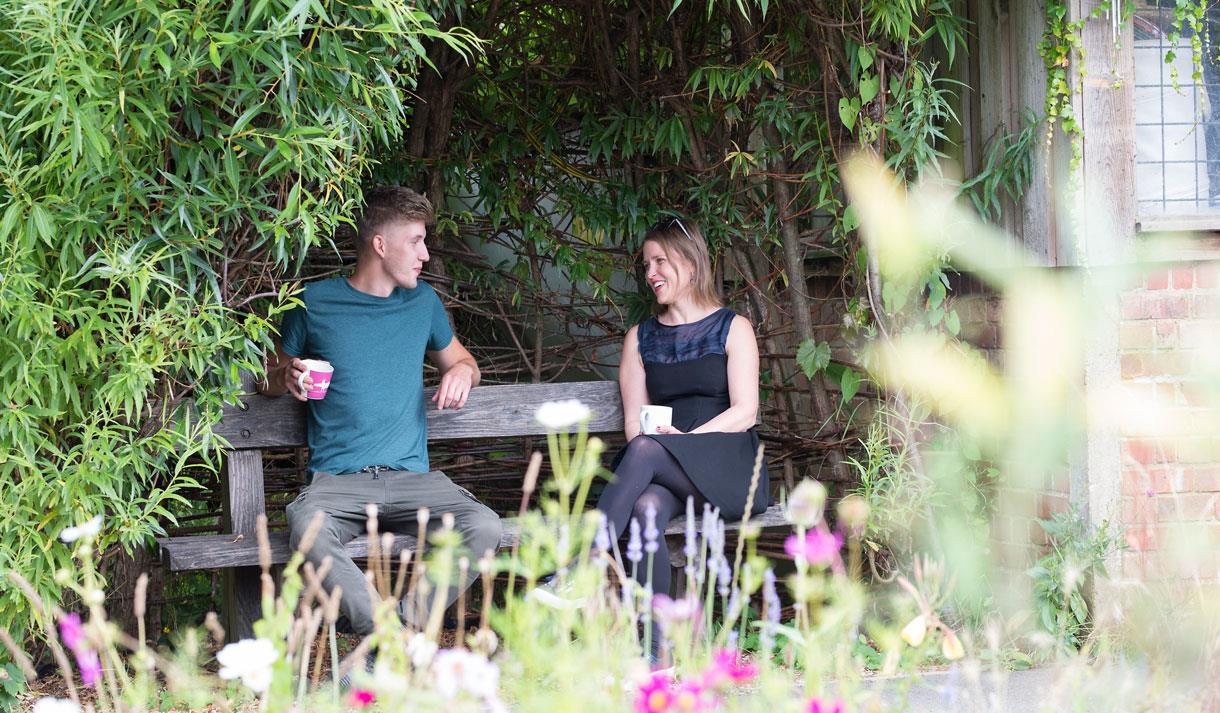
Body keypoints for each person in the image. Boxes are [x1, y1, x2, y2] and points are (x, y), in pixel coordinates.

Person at [260, 186, 502, 636]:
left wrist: (462, 374)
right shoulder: (313, 303)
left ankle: (397, 631)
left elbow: (467, 363)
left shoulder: (423, 303)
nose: (425, 254)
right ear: (379, 245)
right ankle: (387, 633)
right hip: (339, 482)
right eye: (415, 241)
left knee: (485, 526)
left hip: (414, 480)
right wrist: (287, 377)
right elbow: (267, 374)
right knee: (305, 525)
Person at [597, 218, 770, 635]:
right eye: (646, 265)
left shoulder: (734, 328)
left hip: (728, 466)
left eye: (660, 261)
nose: (650, 274)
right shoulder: (640, 338)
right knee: (645, 508)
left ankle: (584, 565)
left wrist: (685, 443)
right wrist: (667, 448)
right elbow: (634, 423)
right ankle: (656, 651)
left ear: (691, 264)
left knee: (647, 449)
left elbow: (746, 411)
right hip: (670, 472)